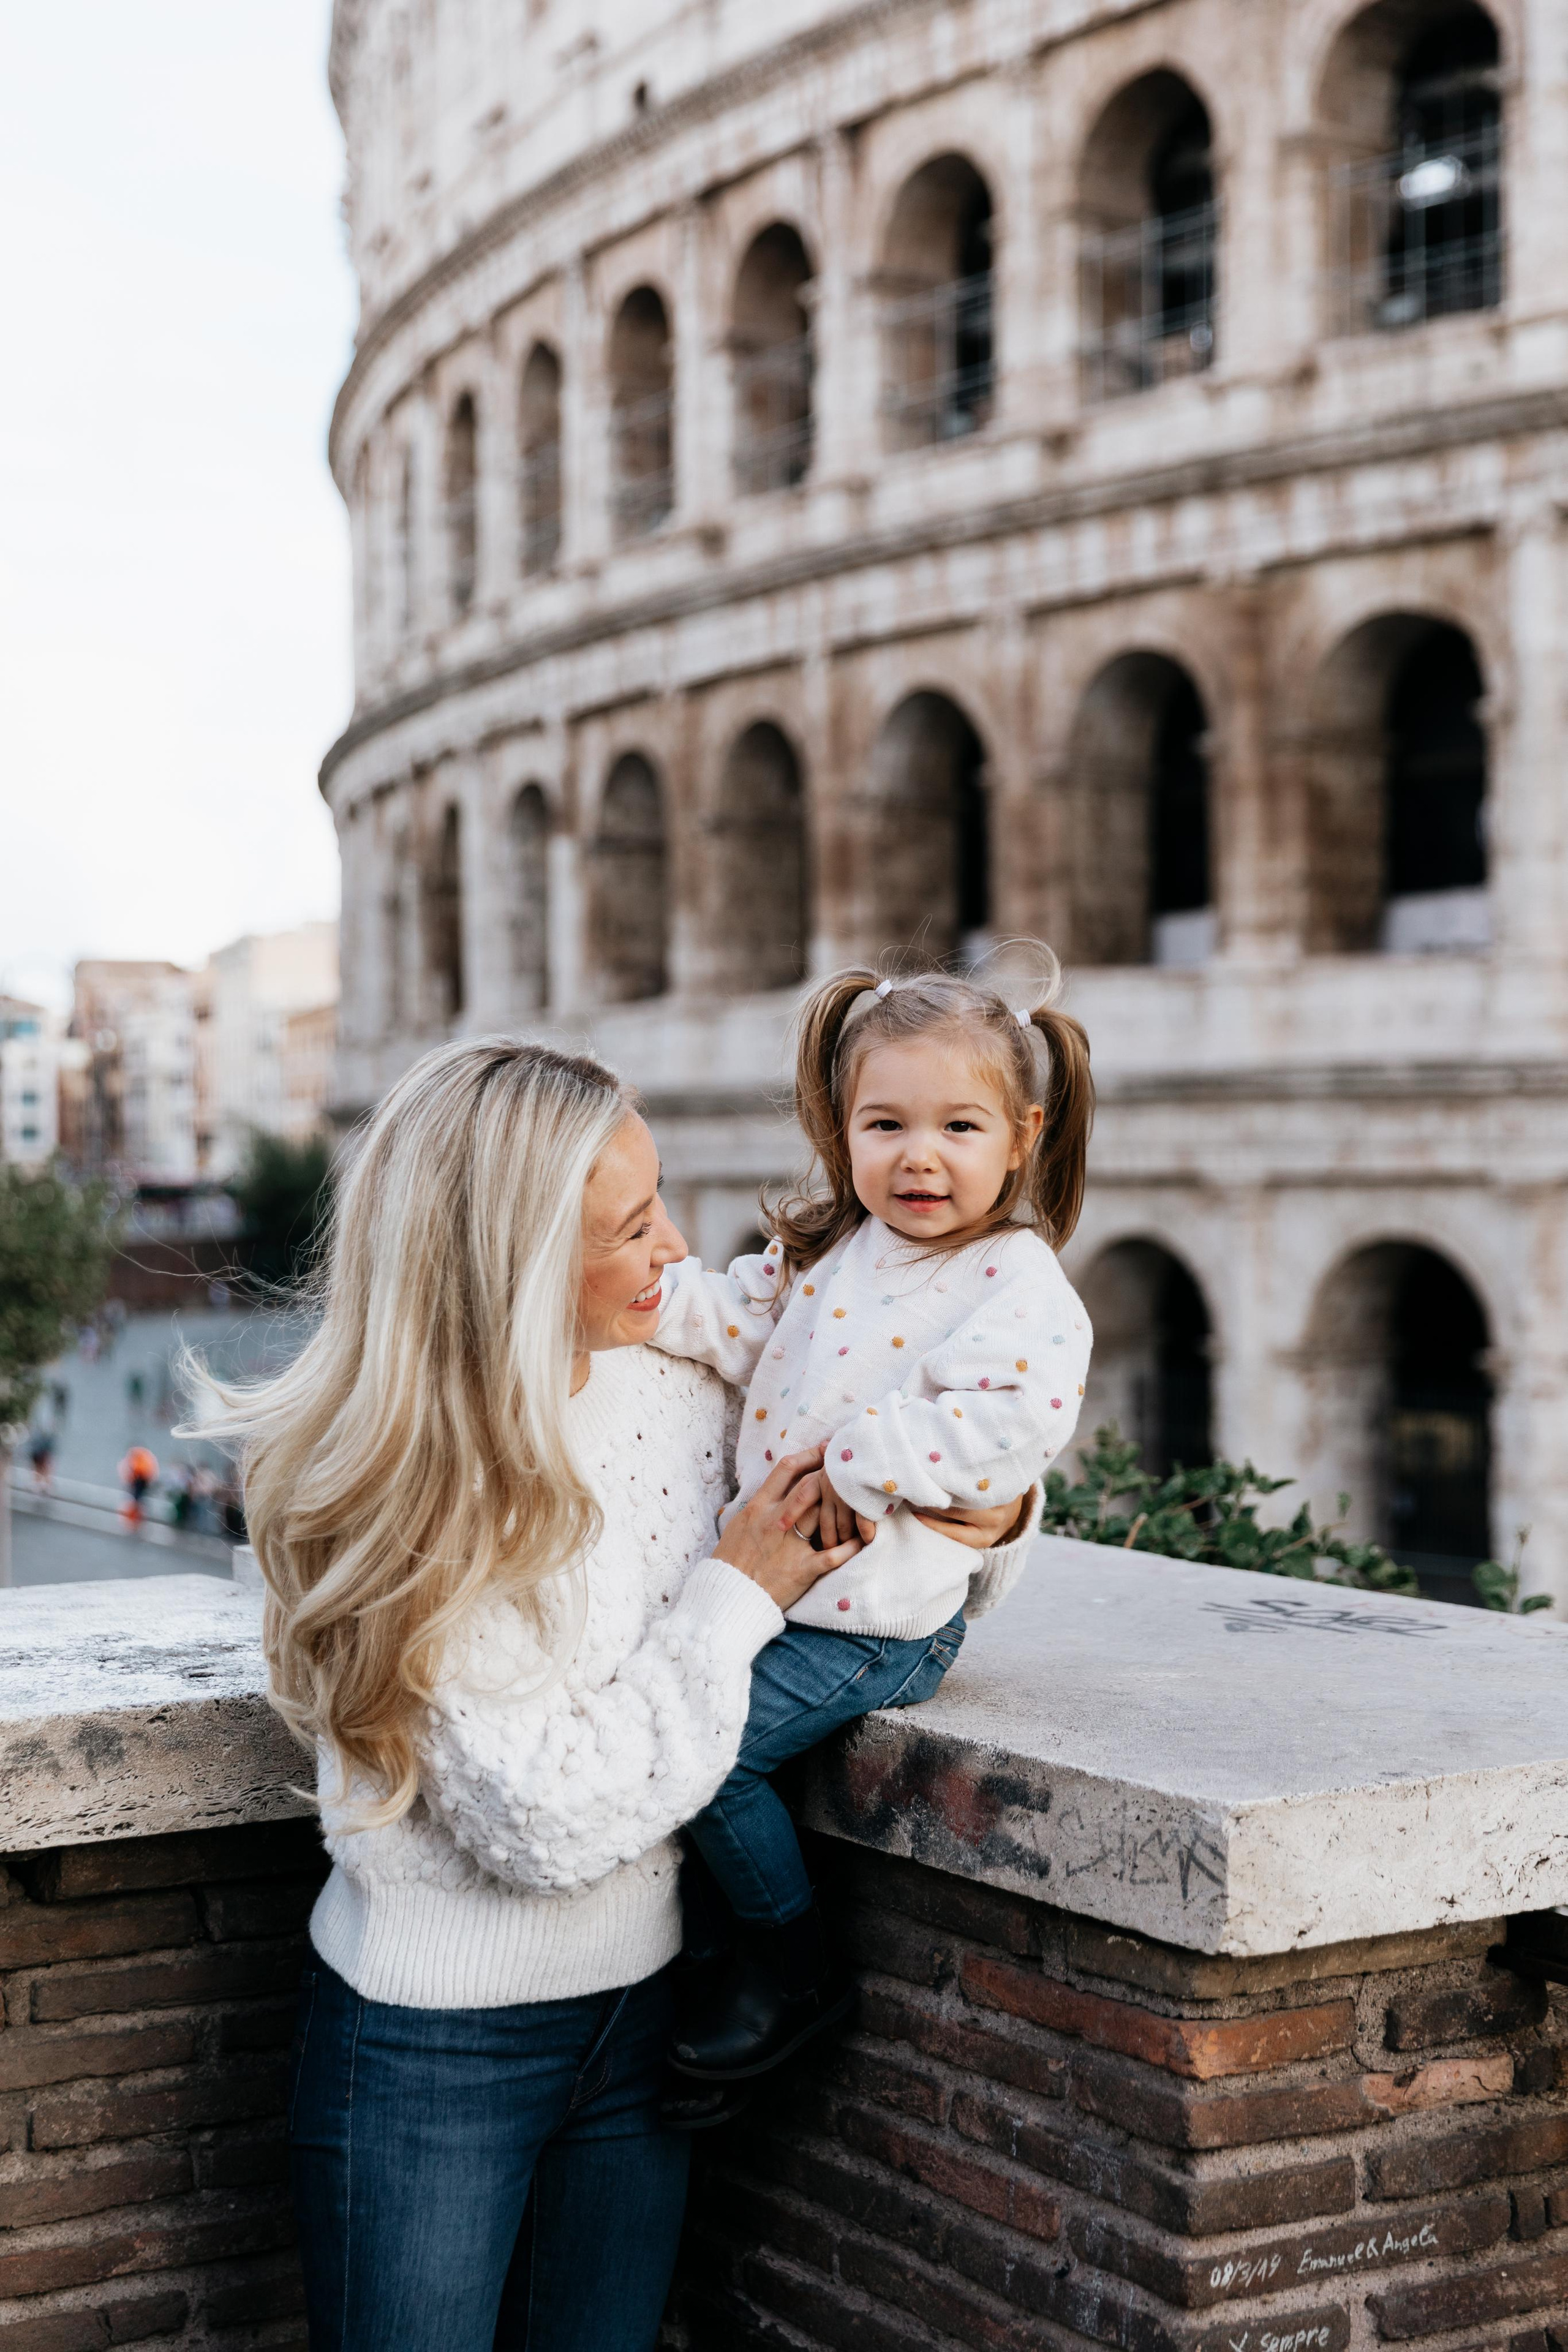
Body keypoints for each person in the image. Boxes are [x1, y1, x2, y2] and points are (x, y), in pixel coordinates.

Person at [184, 1038, 1031, 2351]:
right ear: (511, 1262)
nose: (675, 1254)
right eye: (632, 1228)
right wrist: (737, 1592)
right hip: (430, 2054)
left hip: (657, 2018)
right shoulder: (404, 1488)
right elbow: (547, 1822)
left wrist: (997, 1517)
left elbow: (893, 1522)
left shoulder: (683, 1375)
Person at [650, 955, 1093, 2086]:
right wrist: (639, 1303)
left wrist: (860, 1460)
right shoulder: (838, 1252)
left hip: (878, 1624)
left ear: (1022, 1135)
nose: (920, 1155)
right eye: (885, 1123)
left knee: (706, 1754)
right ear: (841, 1131)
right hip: (793, 1598)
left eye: (958, 1125)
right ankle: (715, 1954)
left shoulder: (1016, 1279)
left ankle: (794, 1970)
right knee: (683, 1728)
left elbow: (1009, 1426)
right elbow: (733, 1323)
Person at [118, 1443, 158, 1525]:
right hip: (138, 1480)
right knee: (137, 1499)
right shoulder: (144, 1456)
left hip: (140, 1480)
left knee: (137, 1499)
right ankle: (133, 1517)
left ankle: (134, 1518)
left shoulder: (141, 1457)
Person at [27, 1428, 56, 1494]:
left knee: (44, 1467)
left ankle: (44, 1484)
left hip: (42, 1450)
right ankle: (41, 1484)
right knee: (40, 1467)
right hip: (40, 1450)